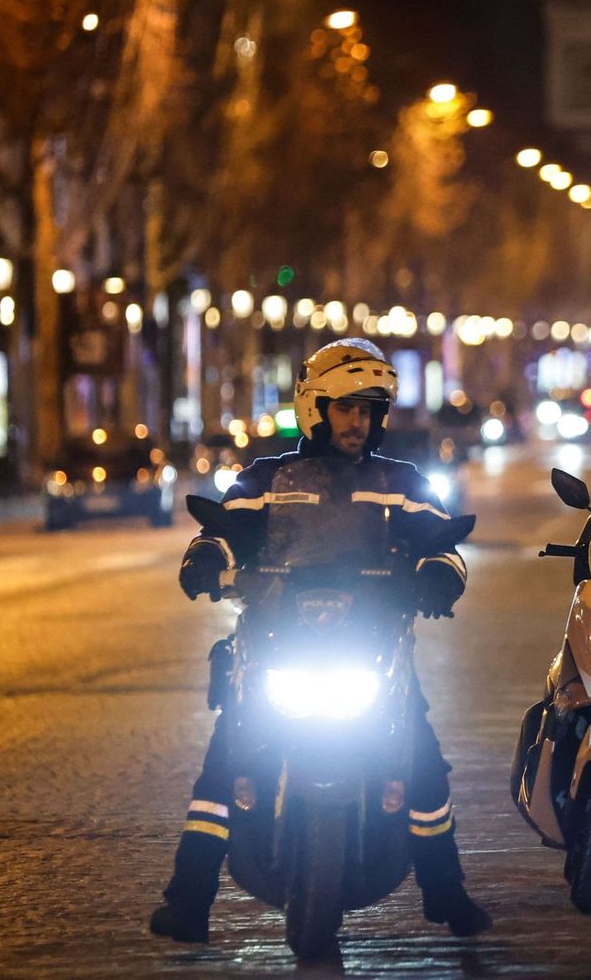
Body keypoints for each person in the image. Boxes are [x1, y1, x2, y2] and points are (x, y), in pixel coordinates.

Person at [149, 338, 491, 943]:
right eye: (345, 408)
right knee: (224, 762)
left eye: (368, 410)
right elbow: (226, 531)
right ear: (316, 409)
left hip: (374, 648)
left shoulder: (402, 482)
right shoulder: (266, 478)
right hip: (276, 643)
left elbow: (443, 544)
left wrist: (438, 577)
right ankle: (188, 900)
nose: (357, 421)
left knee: (423, 766)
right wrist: (206, 559)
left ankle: (446, 892)